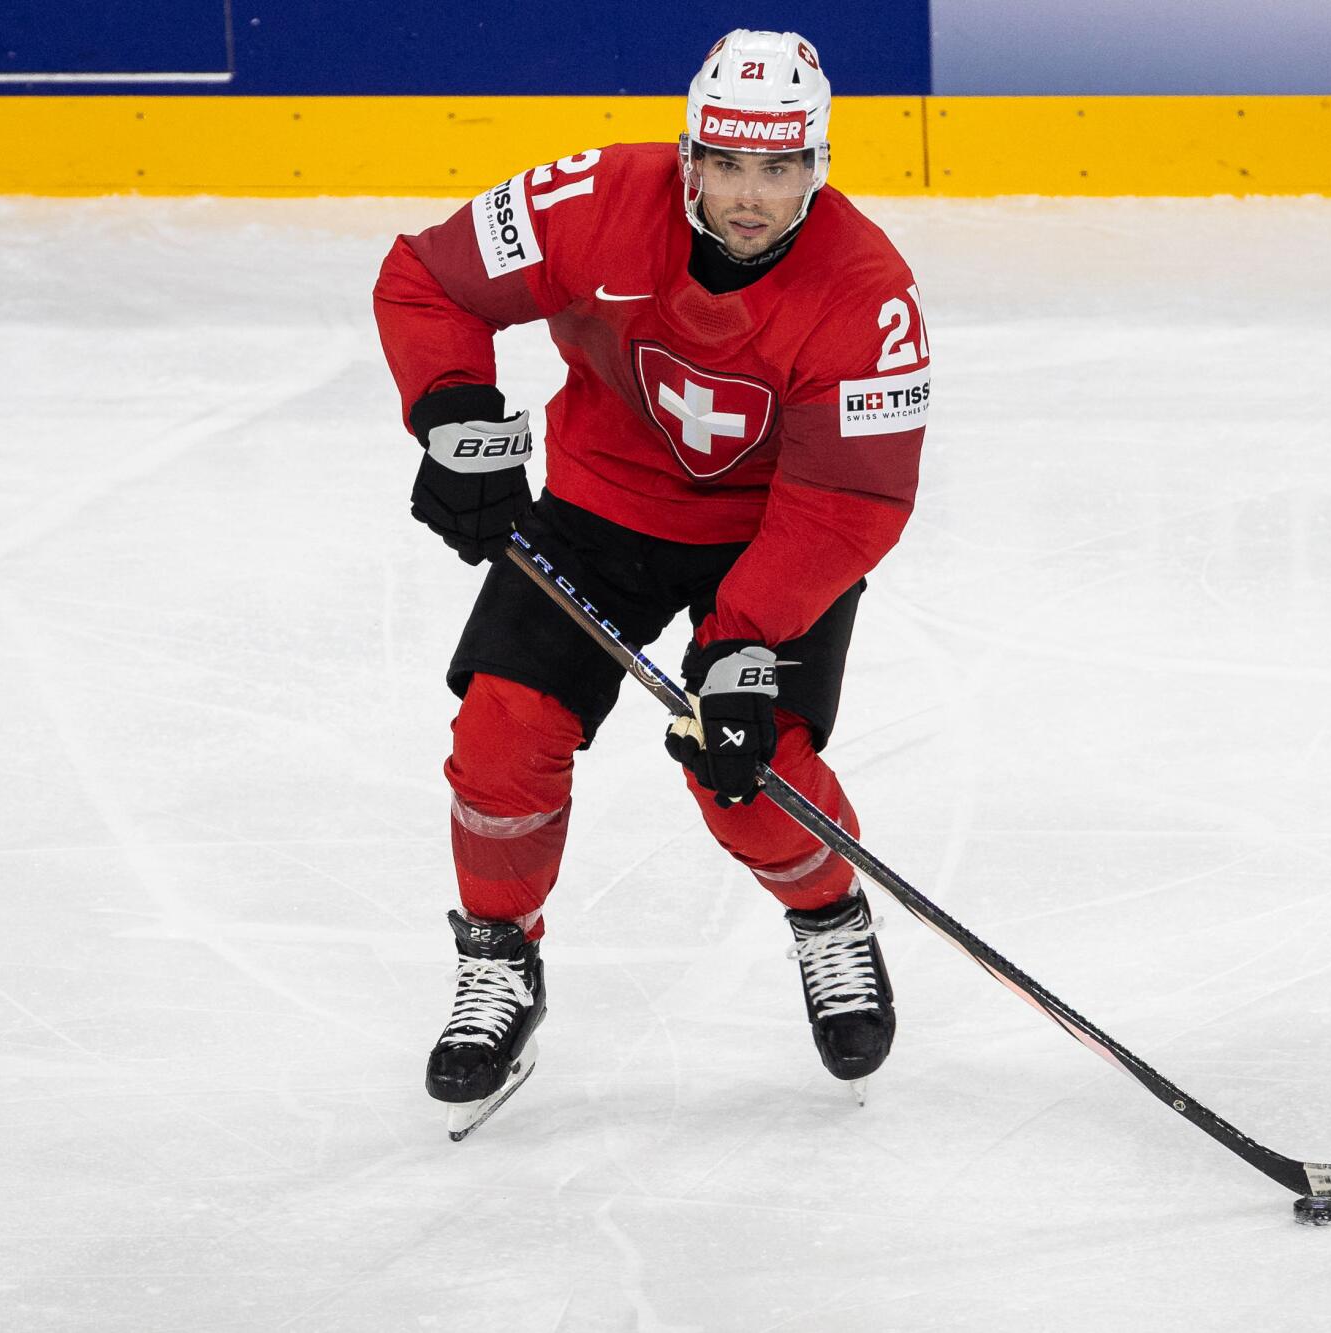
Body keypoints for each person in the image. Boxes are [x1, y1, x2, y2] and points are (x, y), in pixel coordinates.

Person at [372, 29, 931, 1139]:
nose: (746, 196)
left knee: (747, 766)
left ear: (816, 165)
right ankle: (499, 959)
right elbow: (430, 280)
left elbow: (850, 501)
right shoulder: (593, 196)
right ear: (688, 155)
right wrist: (451, 418)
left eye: (776, 169)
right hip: (600, 504)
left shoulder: (868, 295)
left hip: (774, 531)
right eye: (723, 164)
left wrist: (741, 643)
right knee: (500, 730)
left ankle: (828, 919)